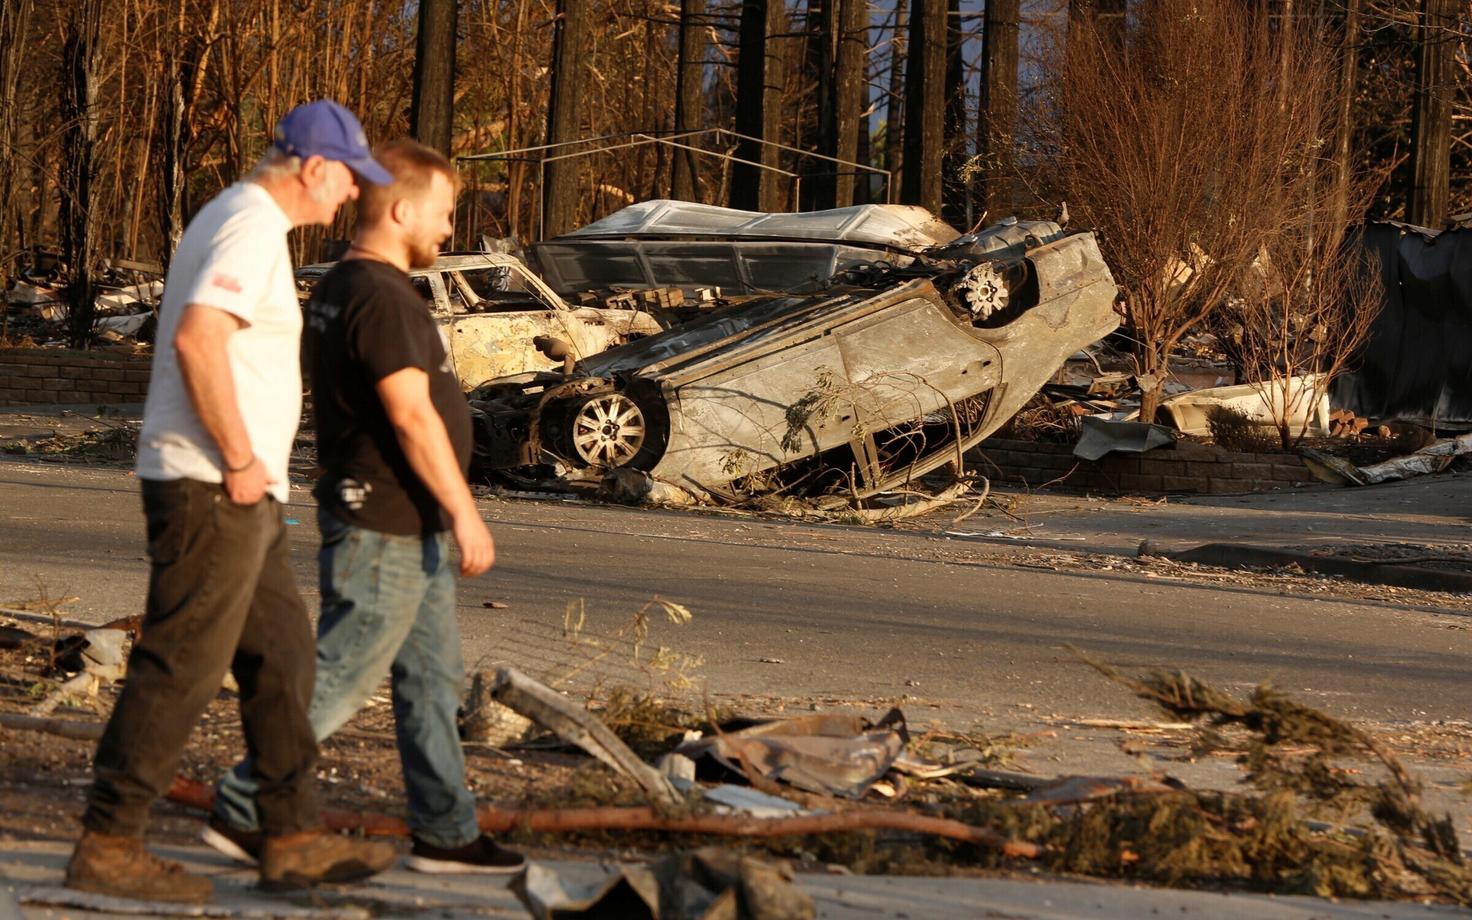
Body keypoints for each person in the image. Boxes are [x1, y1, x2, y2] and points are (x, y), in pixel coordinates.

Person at [66, 100, 400, 904]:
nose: (351, 196)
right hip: (213, 483)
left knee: (282, 654)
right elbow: (196, 336)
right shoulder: (249, 224)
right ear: (314, 167)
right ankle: (109, 841)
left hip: (239, 491)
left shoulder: (245, 224)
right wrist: (243, 458)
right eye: (349, 179)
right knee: (183, 660)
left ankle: (289, 837)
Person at [203, 139, 525, 875]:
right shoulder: (380, 295)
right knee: (345, 674)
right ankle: (246, 803)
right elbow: (409, 415)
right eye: (444, 214)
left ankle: (445, 831)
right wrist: (466, 512)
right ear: (404, 209)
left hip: (408, 522)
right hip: (386, 522)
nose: (449, 230)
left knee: (432, 683)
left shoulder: (348, 285)